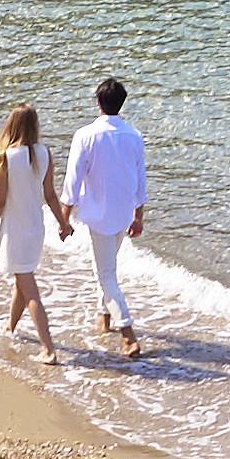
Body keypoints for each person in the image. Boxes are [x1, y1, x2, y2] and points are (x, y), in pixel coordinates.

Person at [64, 76, 148, 357]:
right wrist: (138, 215)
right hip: (124, 213)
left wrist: (64, 216)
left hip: (99, 215)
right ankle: (105, 317)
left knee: (106, 274)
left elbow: (73, 179)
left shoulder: (85, 135)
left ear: (98, 103)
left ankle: (128, 334)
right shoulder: (133, 135)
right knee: (107, 268)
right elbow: (140, 179)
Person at [0, 102, 71, 362]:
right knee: (22, 284)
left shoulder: (6, 158)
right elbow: (50, 195)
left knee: (29, 290)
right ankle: (10, 327)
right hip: (35, 228)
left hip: (16, 230)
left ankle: (48, 349)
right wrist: (63, 223)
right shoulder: (44, 153)